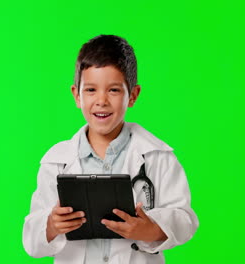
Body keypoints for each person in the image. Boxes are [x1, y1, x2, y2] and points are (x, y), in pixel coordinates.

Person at [22, 34, 199, 263]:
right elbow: (31, 240)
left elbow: (185, 219)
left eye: (114, 90)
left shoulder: (158, 157)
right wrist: (51, 225)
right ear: (76, 95)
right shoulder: (56, 162)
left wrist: (151, 229)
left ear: (132, 96)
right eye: (91, 90)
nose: (101, 101)